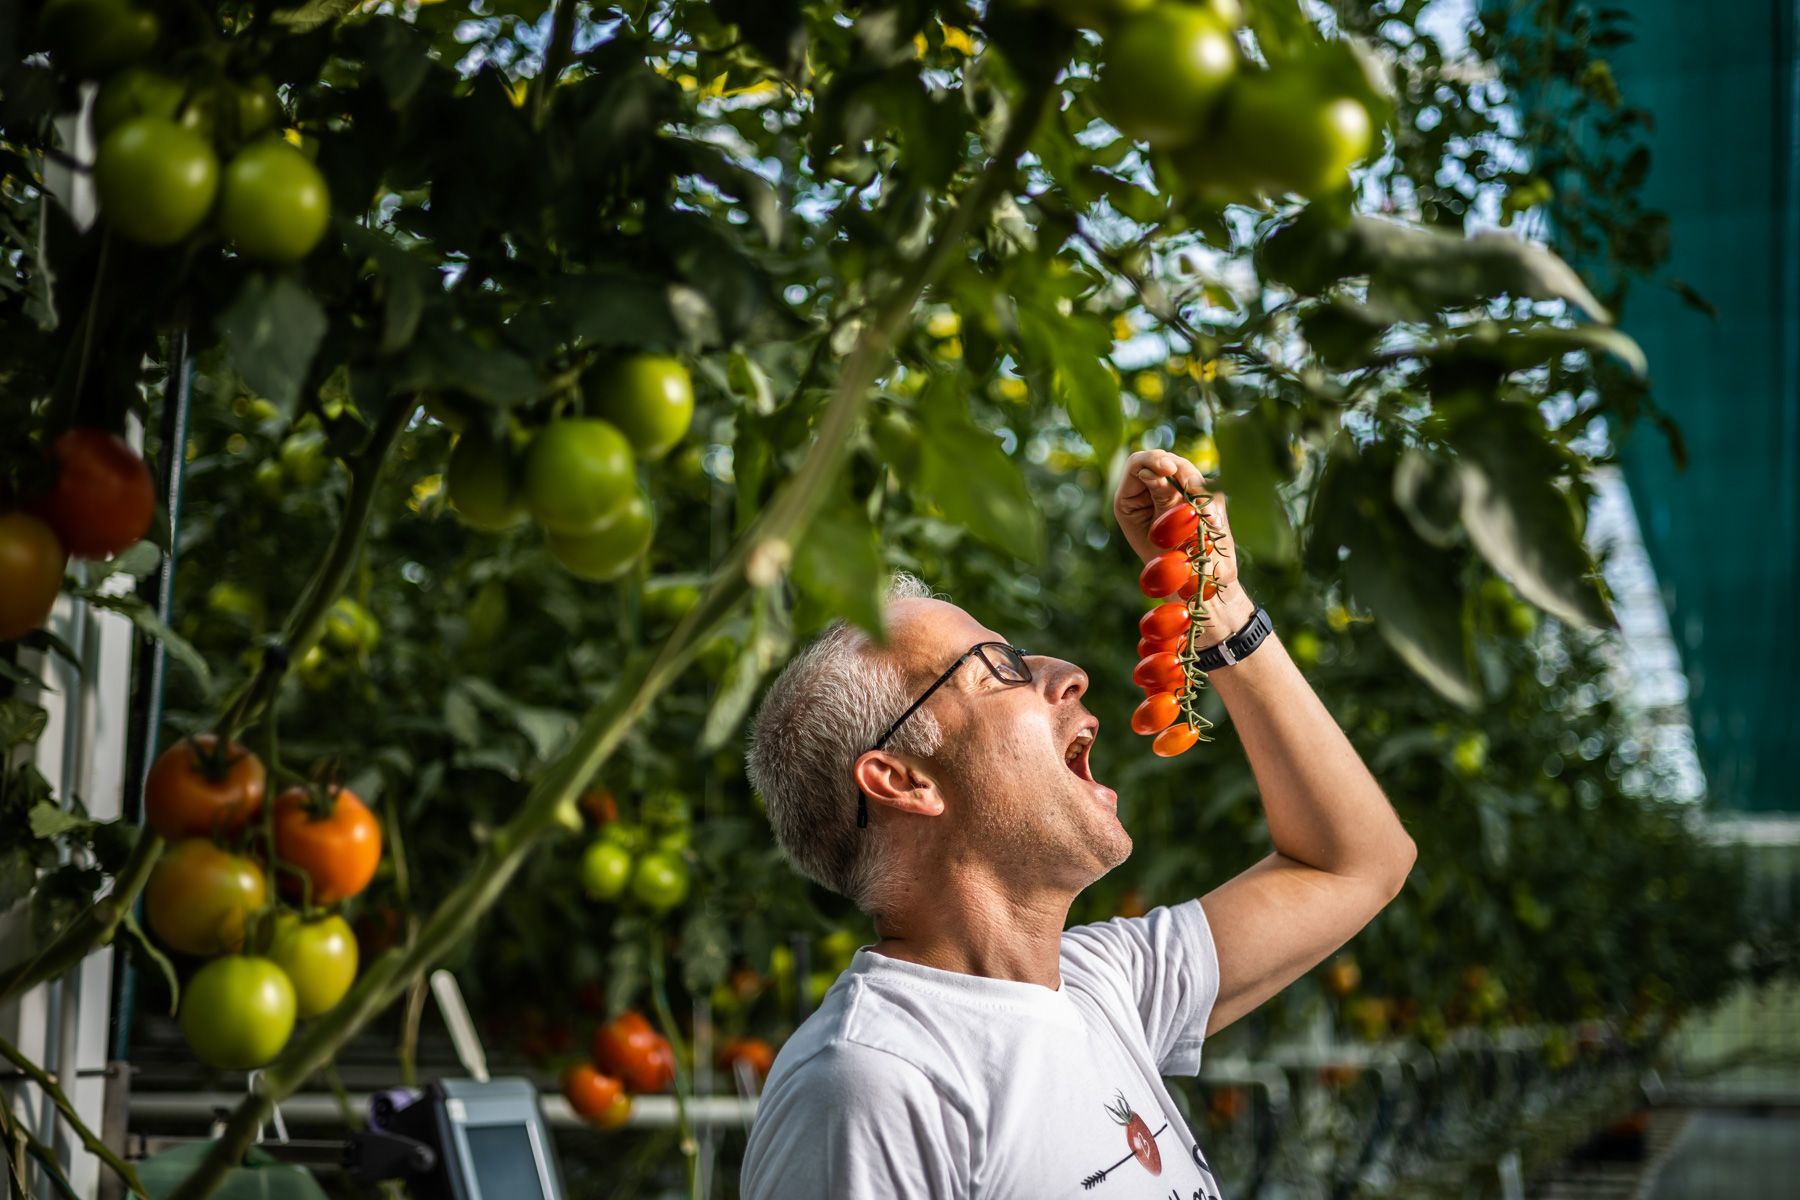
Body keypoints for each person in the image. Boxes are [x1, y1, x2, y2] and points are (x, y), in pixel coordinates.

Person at [739, 449, 1417, 1198]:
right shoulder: (870, 1085)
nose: (1067, 675)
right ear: (905, 780)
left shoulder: (1102, 986)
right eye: (999, 668)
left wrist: (1219, 607)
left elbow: (1358, 862)